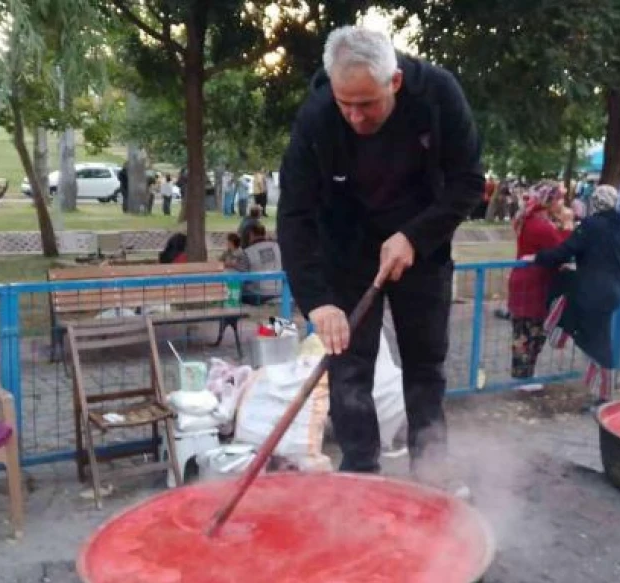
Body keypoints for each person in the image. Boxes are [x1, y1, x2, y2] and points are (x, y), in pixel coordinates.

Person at [277, 26, 483, 490]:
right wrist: (318, 302)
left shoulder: (437, 94)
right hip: (346, 254)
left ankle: (431, 475)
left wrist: (414, 236)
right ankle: (361, 477)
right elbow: (293, 215)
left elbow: (468, 181)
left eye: (366, 104)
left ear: (394, 83)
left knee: (425, 366)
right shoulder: (316, 116)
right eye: (344, 102)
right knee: (349, 369)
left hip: (421, 250)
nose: (353, 116)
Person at [524, 185, 620, 410]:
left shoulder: (592, 225)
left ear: (595, 202)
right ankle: (600, 390)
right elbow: (602, 253)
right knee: (598, 338)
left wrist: (538, 257)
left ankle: (603, 396)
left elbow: (566, 249)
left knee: (597, 342)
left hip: (594, 292)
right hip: (615, 289)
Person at [508, 182, 569, 391]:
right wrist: (568, 225)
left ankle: (525, 374)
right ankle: (524, 377)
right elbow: (561, 250)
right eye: (559, 198)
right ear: (548, 201)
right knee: (530, 331)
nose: (562, 203)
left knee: (524, 330)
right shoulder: (540, 226)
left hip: (524, 279)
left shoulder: (530, 219)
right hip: (534, 283)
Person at [236, 224, 282, 305]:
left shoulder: (247, 252)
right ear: (264, 234)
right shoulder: (278, 247)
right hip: (281, 290)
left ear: (251, 235)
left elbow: (241, 277)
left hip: (259, 294)